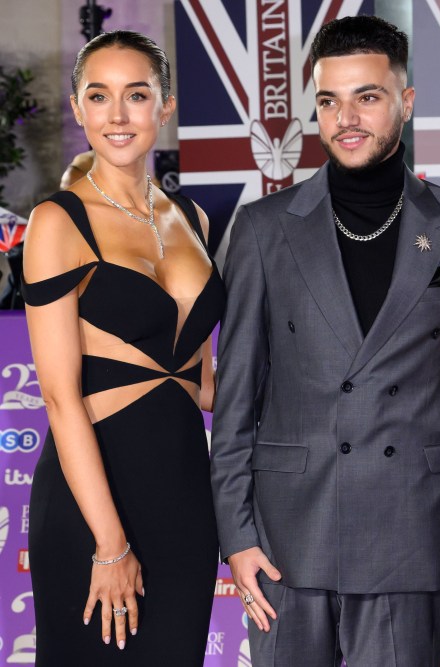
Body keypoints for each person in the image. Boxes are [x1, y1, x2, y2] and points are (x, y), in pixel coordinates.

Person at [209, 15, 440, 666]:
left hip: (410, 526)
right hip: (288, 534)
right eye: (329, 100)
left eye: (367, 97)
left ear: (406, 102)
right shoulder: (262, 229)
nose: (347, 117)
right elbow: (235, 400)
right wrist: (237, 532)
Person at [21, 31, 222, 665]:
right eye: (98, 96)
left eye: (136, 95)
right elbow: (58, 396)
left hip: (186, 497)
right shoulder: (58, 221)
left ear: (164, 106)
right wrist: (109, 543)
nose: (117, 115)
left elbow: (204, 381)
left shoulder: (193, 217)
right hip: (94, 505)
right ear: (78, 109)